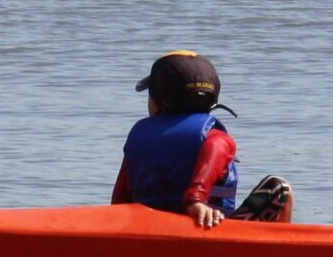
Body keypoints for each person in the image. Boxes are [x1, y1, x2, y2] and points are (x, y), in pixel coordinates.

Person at [112, 51, 293, 229]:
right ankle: (279, 254)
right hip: (206, 227)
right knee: (279, 188)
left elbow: (119, 202)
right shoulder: (215, 136)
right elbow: (217, 146)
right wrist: (195, 200)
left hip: (146, 230)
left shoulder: (139, 136)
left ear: (159, 101)